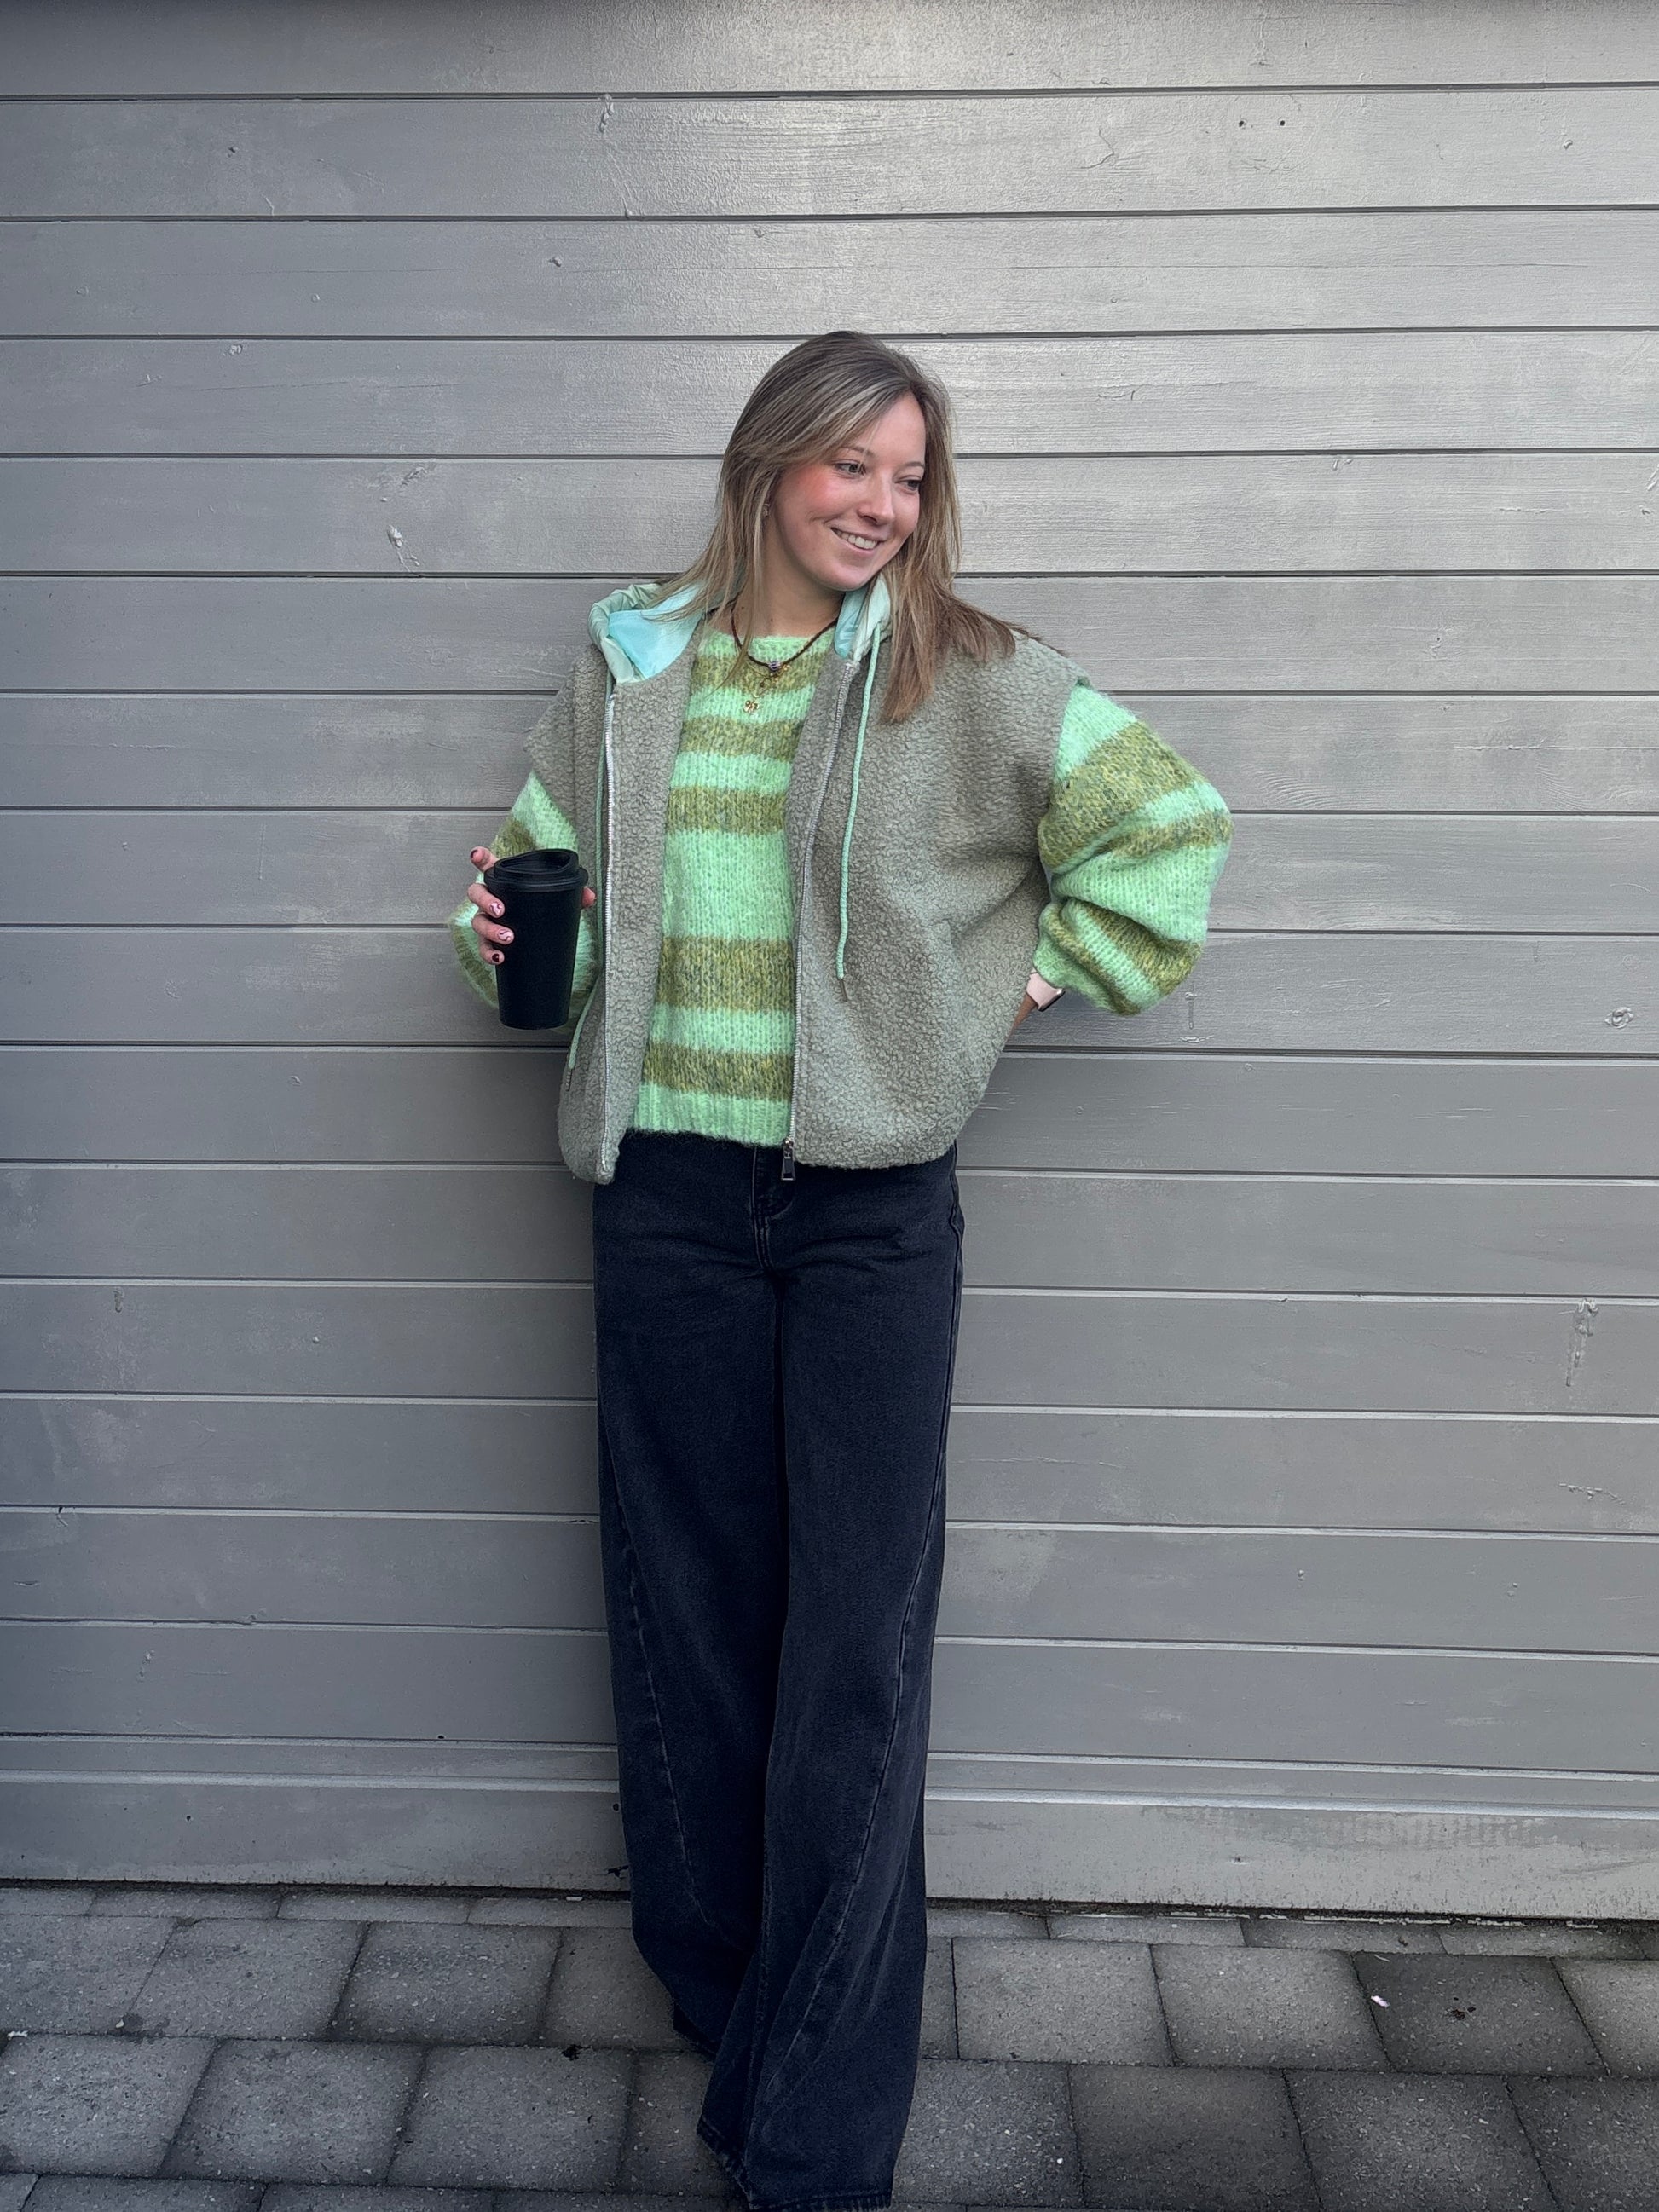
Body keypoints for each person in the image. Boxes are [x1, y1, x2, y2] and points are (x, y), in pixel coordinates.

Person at [447, 329, 1232, 2210]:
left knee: (854, 1647)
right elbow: (544, 879)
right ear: (767, 464)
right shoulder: (631, 661)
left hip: (867, 1211)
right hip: (665, 1195)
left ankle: (810, 2136)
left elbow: (1167, 835)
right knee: (690, 1617)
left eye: (908, 476)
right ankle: (733, 1997)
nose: (880, 505)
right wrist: (499, 932)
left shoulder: (974, 675)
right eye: (850, 466)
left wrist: (986, 1001)